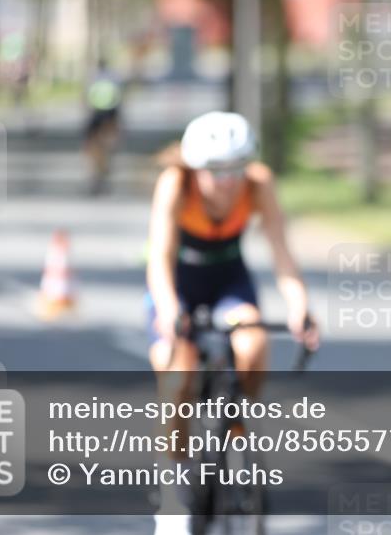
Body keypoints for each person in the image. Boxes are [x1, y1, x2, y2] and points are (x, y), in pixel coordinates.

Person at [146, 111, 319, 535]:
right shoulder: (174, 184)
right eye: (216, 171)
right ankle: (173, 493)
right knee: (179, 373)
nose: (228, 181)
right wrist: (169, 311)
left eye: (236, 168)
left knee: (255, 342)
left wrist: (299, 305)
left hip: (229, 281)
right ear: (194, 167)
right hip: (180, 285)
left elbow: (281, 252)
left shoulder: (259, 183)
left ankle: (238, 434)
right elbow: (160, 258)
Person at [82, 61, 123, 196]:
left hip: (95, 115)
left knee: (94, 146)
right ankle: (103, 168)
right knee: (107, 144)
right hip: (110, 114)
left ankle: (96, 172)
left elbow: (86, 98)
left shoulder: (92, 77)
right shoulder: (114, 78)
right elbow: (119, 98)